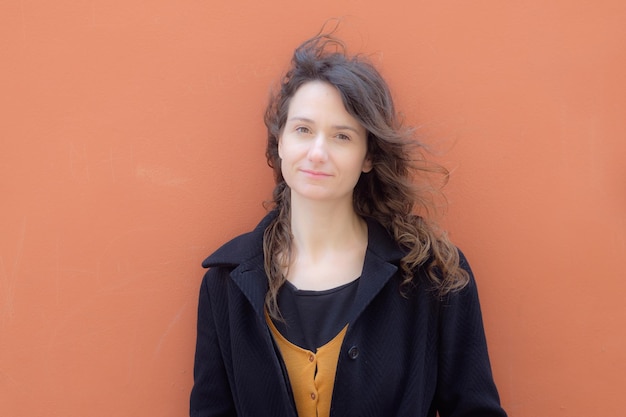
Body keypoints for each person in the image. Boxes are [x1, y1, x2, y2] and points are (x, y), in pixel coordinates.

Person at [190, 29, 507, 417]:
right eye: (303, 130)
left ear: (368, 156)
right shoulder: (225, 284)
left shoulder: (433, 276)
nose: (317, 153)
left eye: (342, 136)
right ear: (280, 144)